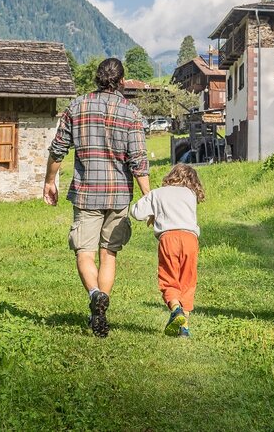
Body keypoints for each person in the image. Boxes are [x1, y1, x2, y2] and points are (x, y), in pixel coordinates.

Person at [45, 57, 151, 338]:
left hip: (86, 192)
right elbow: (138, 162)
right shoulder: (131, 113)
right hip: (118, 196)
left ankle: (94, 295)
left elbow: (57, 150)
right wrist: (149, 200)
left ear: (96, 78)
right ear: (122, 81)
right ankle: (100, 305)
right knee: (109, 254)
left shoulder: (76, 106)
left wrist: (49, 182)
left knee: (84, 252)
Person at [130, 163, 204, 338]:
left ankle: (176, 309)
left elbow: (136, 212)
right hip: (190, 239)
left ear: (172, 175)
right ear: (193, 181)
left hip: (169, 238)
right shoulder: (190, 194)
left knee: (169, 278)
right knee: (188, 281)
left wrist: (152, 213)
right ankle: (183, 328)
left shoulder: (158, 193)